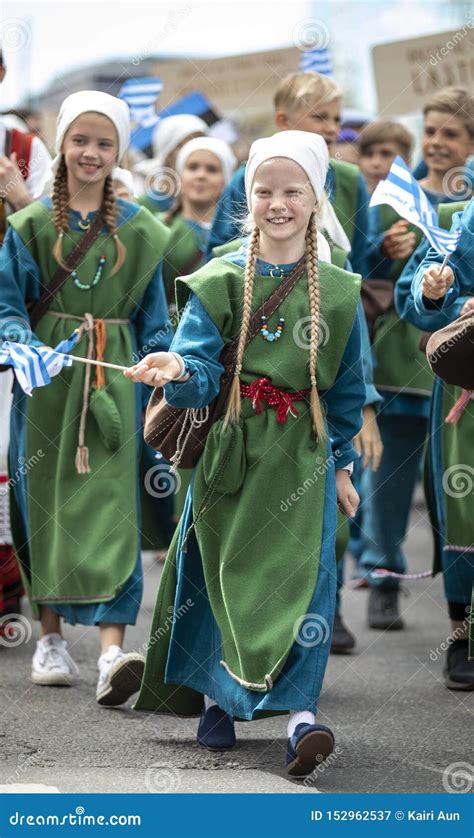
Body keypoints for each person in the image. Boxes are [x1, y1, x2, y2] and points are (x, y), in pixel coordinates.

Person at [129, 131, 365, 778]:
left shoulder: (341, 292)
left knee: (305, 579)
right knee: (220, 568)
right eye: (265, 190)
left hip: (304, 456)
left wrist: (343, 466)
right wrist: (177, 365)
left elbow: (345, 389)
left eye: (293, 191)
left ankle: (299, 719)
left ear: (316, 201)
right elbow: (202, 368)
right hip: (232, 445)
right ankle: (216, 700)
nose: (278, 202)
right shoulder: (221, 275)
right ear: (248, 196)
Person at [0, 91, 173, 703]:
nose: (91, 153)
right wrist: (20, 343)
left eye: (104, 143)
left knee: (112, 507)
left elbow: (156, 316)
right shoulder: (29, 227)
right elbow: (7, 305)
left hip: (116, 382)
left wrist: (165, 365)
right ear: (62, 143)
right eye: (80, 140)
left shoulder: (145, 230)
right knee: (42, 499)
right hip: (47, 382)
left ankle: (109, 651)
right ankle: (48, 638)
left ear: (119, 151)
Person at [359, 88, 473, 630]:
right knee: (388, 478)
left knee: (454, 487)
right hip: (400, 364)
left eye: (451, 133)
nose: (437, 142)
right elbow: (356, 267)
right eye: (430, 130)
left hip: (459, 376)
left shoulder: (467, 205)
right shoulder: (396, 197)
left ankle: (458, 602)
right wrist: (385, 248)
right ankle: (383, 576)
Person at [395, 199, 474, 690]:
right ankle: (461, 637)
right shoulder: (453, 218)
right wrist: (438, 292)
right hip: (467, 385)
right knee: (464, 505)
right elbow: (414, 297)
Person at [206, 71, 370, 278]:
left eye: (337, 119)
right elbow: (219, 249)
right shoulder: (250, 175)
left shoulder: (352, 179)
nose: (332, 128)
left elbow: (362, 254)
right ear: (283, 120)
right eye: (319, 117)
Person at [0, 46, 52, 637]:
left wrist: (19, 194)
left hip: (8, 322)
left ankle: (9, 593)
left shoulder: (23, 147)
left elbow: (53, 243)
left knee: (8, 463)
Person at [160, 137, 237, 306]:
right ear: (180, 175)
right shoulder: (159, 228)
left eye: (212, 169)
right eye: (192, 167)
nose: (201, 175)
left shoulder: (239, 235)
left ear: (225, 180)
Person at [134, 114, 208, 213]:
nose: (195, 150)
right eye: (185, 145)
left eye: (201, 142)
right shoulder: (144, 206)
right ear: (168, 154)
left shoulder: (218, 198)